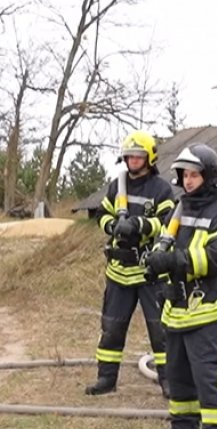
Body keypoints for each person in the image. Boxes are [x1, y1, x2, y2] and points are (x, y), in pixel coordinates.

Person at [145, 143, 217, 429]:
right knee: (177, 371)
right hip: (176, 307)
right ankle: (183, 427)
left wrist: (175, 262)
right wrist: (155, 259)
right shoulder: (180, 208)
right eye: (185, 174)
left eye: (194, 175)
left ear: (208, 176)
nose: (188, 180)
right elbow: (165, 241)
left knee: (205, 374)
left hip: (204, 307)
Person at [86, 130, 175, 397]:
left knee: (160, 331)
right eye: (129, 156)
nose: (133, 160)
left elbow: (168, 224)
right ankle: (106, 379)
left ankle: (169, 382)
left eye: (138, 156)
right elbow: (101, 214)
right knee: (111, 328)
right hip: (118, 272)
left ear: (149, 158)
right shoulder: (117, 185)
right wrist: (113, 225)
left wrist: (139, 225)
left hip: (149, 273)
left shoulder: (161, 189)